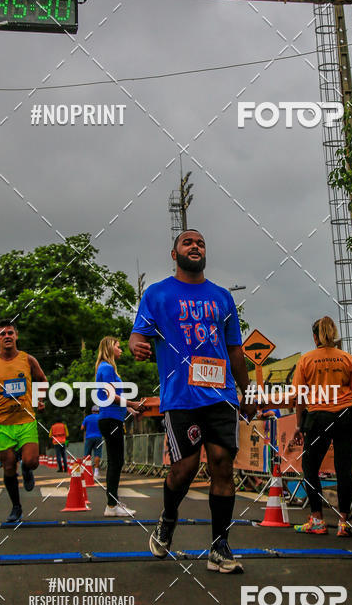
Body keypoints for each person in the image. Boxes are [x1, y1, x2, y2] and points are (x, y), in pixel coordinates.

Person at [130, 229, 255, 573]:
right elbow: (137, 334)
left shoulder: (221, 297)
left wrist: (248, 390)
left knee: (221, 463)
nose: (195, 246)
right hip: (180, 396)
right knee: (184, 468)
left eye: (200, 242)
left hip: (221, 393)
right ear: (175, 254)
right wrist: (136, 345)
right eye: (188, 242)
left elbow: (235, 350)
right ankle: (168, 519)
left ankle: (220, 546)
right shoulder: (157, 294)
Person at [291, 316, 352, 537]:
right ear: (333, 334)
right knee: (344, 469)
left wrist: (299, 425)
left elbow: (299, 397)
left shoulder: (306, 360)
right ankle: (343, 523)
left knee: (310, 467)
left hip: (317, 417)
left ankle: (317, 519)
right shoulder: (346, 359)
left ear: (315, 337)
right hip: (346, 416)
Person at [0, 319, 47, 523]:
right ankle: (16, 507)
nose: (6, 336)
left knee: (32, 461)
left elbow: (42, 379)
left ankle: (26, 468)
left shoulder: (28, 359)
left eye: (10, 333)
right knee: (8, 467)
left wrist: (39, 399)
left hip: (25, 420)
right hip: (1, 423)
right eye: (2, 334)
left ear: (16, 336)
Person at [95, 337, 143, 517]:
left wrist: (130, 408)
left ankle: (113, 503)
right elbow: (110, 395)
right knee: (116, 462)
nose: (121, 350)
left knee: (116, 461)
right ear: (109, 348)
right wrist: (132, 402)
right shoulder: (107, 368)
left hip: (112, 418)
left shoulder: (106, 368)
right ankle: (112, 505)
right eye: (118, 347)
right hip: (110, 419)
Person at [82, 406, 103, 481]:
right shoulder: (101, 417)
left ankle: (86, 472)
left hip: (89, 437)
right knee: (97, 454)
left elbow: (82, 428)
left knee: (87, 455)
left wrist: (88, 428)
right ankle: (96, 472)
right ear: (98, 411)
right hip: (98, 437)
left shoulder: (87, 418)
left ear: (92, 411)